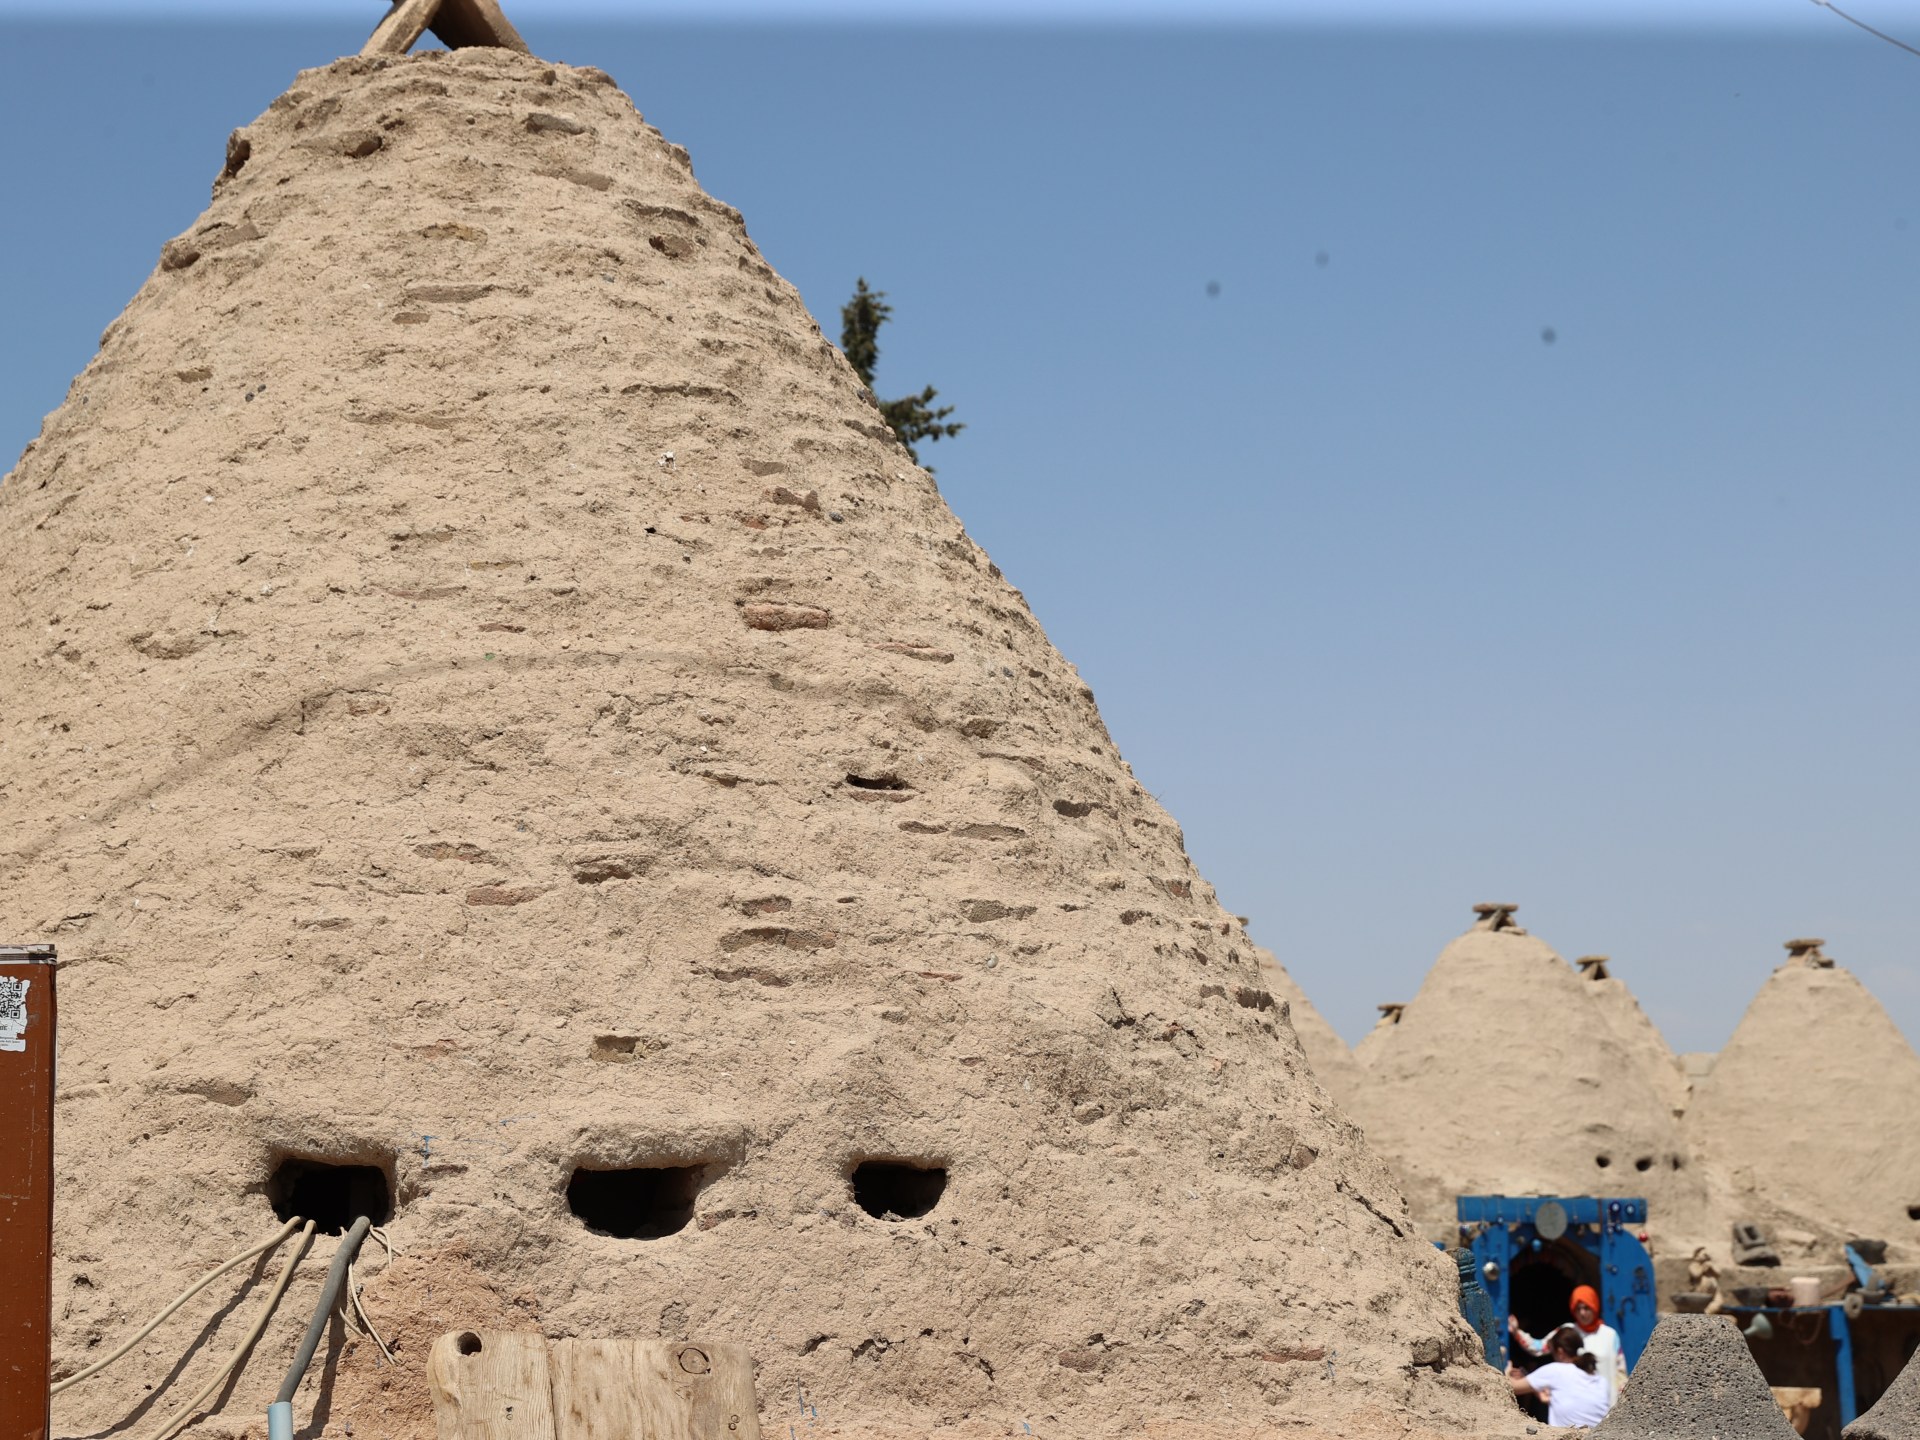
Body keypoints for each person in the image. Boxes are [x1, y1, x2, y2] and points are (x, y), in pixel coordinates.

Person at [1511, 1285, 1628, 1403]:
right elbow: (1539, 1348)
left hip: (1607, 1403)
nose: (1582, 1313)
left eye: (1586, 1307)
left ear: (1595, 1306)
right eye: (1578, 1308)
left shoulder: (1610, 1335)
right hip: (1575, 1403)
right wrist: (1517, 1332)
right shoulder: (1567, 1332)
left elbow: (1620, 1371)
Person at [1507, 1325, 1613, 1428]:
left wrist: (1506, 1370)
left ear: (1560, 1352)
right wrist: (1528, 1378)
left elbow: (1512, 1387)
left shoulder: (1556, 1370)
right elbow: (1563, 1400)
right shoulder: (1600, 1379)